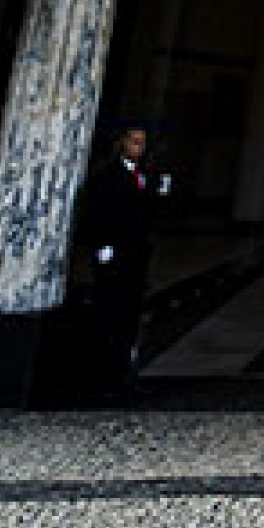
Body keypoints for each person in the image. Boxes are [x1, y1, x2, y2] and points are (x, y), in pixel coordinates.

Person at [83, 119, 158, 402]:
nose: (140, 148)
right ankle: (101, 378)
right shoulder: (107, 176)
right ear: (122, 143)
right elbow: (97, 213)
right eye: (135, 142)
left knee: (129, 317)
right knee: (107, 316)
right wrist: (102, 245)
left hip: (136, 256)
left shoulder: (144, 175)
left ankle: (125, 374)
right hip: (114, 255)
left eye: (143, 142)